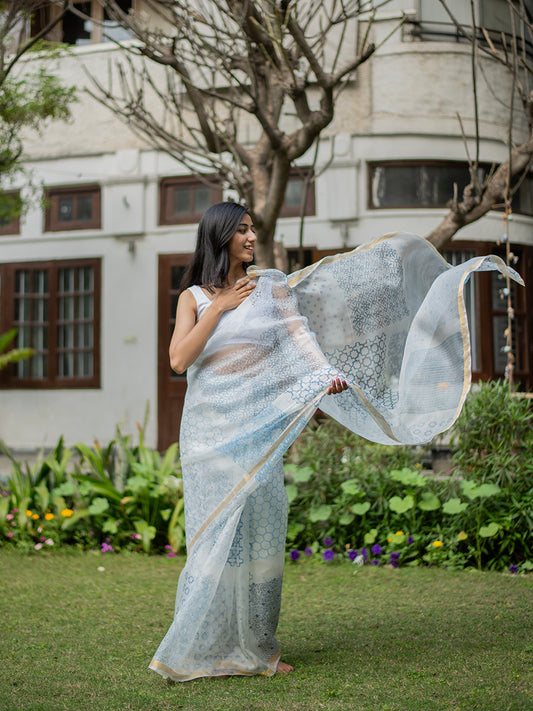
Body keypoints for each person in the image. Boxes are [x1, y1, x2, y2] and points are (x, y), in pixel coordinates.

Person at [150, 202, 522, 682]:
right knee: (215, 540)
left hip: (260, 430)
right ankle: (203, 647)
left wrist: (325, 374)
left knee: (262, 536)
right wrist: (220, 307)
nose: (251, 237)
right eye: (241, 230)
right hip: (210, 434)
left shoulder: (272, 286)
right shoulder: (194, 298)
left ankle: (258, 650)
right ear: (219, 236)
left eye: (252, 229)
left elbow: (300, 338)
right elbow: (179, 360)